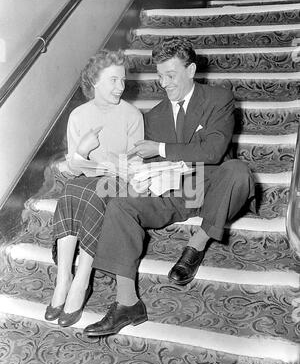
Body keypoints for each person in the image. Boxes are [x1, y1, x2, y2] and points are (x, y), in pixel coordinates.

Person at [83, 38, 256, 337]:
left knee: (238, 170)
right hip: (175, 192)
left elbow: (213, 150)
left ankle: (197, 244)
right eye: (160, 76)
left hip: (216, 187)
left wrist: (160, 149)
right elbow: (144, 159)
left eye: (171, 75)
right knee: (122, 202)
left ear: (190, 70)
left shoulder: (219, 98)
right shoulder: (155, 116)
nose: (164, 83)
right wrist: (133, 169)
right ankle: (127, 303)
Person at [44, 50, 144, 327]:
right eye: (113, 80)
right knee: (71, 191)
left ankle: (82, 278)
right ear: (94, 81)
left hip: (118, 184)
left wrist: (111, 163)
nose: (120, 87)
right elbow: (75, 167)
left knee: (91, 192)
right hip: (88, 180)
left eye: (122, 81)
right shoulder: (78, 115)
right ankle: (63, 279)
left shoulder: (132, 115)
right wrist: (84, 152)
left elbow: (135, 165)